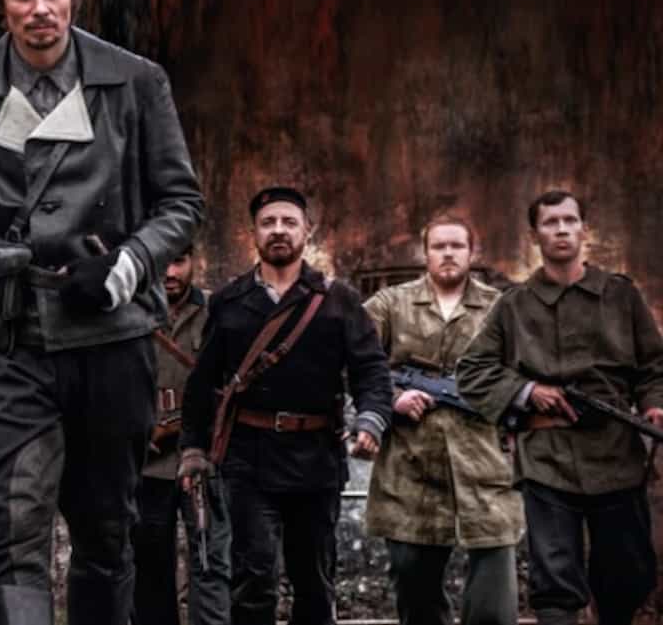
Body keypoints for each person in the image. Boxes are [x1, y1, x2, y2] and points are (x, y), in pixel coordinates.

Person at [0, 0, 204, 624]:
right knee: (15, 537)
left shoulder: (134, 82)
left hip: (109, 340)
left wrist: (129, 263)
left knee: (106, 533)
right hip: (6, 344)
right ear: (0, 4)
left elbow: (182, 202)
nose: (40, 9)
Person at [179, 187, 392, 625]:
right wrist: (194, 448)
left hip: (316, 457)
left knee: (314, 581)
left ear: (306, 231)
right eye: (268, 222)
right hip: (248, 458)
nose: (278, 230)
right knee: (253, 580)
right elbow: (203, 382)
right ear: (253, 233)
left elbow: (371, 370)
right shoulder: (229, 301)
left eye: (289, 222)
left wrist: (371, 420)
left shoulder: (339, 300)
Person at [458, 190, 663, 625]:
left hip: (617, 454)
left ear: (585, 230)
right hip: (546, 458)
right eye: (551, 223)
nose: (562, 229)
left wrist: (654, 406)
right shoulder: (514, 304)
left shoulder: (621, 296)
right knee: (554, 583)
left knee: (627, 576)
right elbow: (473, 371)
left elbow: (653, 367)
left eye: (570, 220)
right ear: (535, 235)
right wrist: (526, 391)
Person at [362, 215, 521, 625]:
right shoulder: (390, 304)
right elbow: (354, 360)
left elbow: (528, 370)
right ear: (425, 252)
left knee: (494, 602)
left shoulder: (502, 308)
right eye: (439, 246)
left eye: (456, 246)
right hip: (409, 470)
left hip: (486, 466)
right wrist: (393, 398)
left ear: (472, 252)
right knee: (415, 593)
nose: (448, 253)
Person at [132, 244, 229, 625]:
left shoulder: (217, 311)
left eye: (178, 261)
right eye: (161, 263)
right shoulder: (130, 314)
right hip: (148, 460)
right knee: (150, 565)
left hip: (203, 459)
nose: (170, 273)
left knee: (210, 560)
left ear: (194, 261)